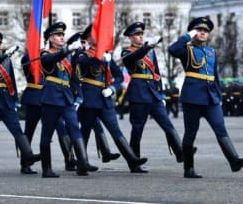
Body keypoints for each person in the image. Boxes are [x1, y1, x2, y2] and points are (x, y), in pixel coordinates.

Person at [168, 17, 243, 178]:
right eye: (199, 30)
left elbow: (215, 76)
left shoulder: (212, 51)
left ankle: (234, 161)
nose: (203, 33)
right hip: (192, 97)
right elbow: (172, 49)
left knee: (221, 128)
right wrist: (187, 36)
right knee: (190, 133)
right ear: (193, 32)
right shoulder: (187, 49)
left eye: (205, 31)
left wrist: (219, 95)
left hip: (211, 98)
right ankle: (189, 169)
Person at [76, 24, 147, 170]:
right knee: (86, 131)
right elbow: (85, 63)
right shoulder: (84, 54)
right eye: (95, 35)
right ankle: (82, 163)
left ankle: (132, 159)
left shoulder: (106, 55)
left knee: (115, 130)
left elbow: (119, 76)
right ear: (89, 39)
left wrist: (113, 89)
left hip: (105, 98)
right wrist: (101, 58)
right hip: (89, 99)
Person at [121, 21, 185, 173]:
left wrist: (161, 93)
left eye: (141, 34)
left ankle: (180, 152)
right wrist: (147, 47)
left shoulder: (151, 52)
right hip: (138, 94)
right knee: (137, 130)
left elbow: (156, 74)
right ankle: (134, 162)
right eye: (137, 35)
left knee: (167, 124)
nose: (140, 37)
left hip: (153, 94)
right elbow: (135, 56)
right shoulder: (126, 52)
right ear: (130, 37)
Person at [39, 22, 97, 177]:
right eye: (58, 35)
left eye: (63, 35)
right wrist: (67, 50)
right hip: (51, 97)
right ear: (50, 38)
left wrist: (78, 95)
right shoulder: (45, 54)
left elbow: (73, 77)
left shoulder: (68, 56)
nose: (62, 37)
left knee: (74, 127)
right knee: (47, 134)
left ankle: (82, 163)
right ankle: (46, 168)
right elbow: (53, 58)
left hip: (66, 96)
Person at [0, 31, 40, 176]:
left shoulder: (7, 61)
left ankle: (28, 156)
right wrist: (3, 55)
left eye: (0, 43)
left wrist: (14, 99)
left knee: (17, 131)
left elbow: (11, 80)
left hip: (6, 101)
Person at [20, 52, 77, 174]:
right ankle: (25, 163)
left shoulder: (51, 57)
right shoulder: (29, 57)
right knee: (29, 131)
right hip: (34, 97)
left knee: (62, 129)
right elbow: (28, 67)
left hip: (51, 97)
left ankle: (70, 160)